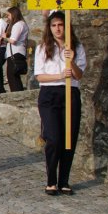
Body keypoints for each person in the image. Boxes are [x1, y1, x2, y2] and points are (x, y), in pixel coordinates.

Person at [34, 11, 87, 196]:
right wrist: (59, 75)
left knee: (69, 138)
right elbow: (39, 75)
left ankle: (64, 180)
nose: (58, 29)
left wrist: (70, 61)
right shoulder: (43, 48)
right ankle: (51, 180)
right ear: (50, 28)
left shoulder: (76, 47)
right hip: (49, 93)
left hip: (70, 92)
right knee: (54, 138)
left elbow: (79, 75)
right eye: (54, 25)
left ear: (66, 26)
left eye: (61, 25)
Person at [3, 6, 30, 92]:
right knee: (12, 75)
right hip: (15, 52)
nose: (8, 17)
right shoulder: (20, 24)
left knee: (12, 76)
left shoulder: (18, 24)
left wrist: (5, 37)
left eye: (8, 15)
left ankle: (17, 93)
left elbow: (13, 40)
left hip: (16, 53)